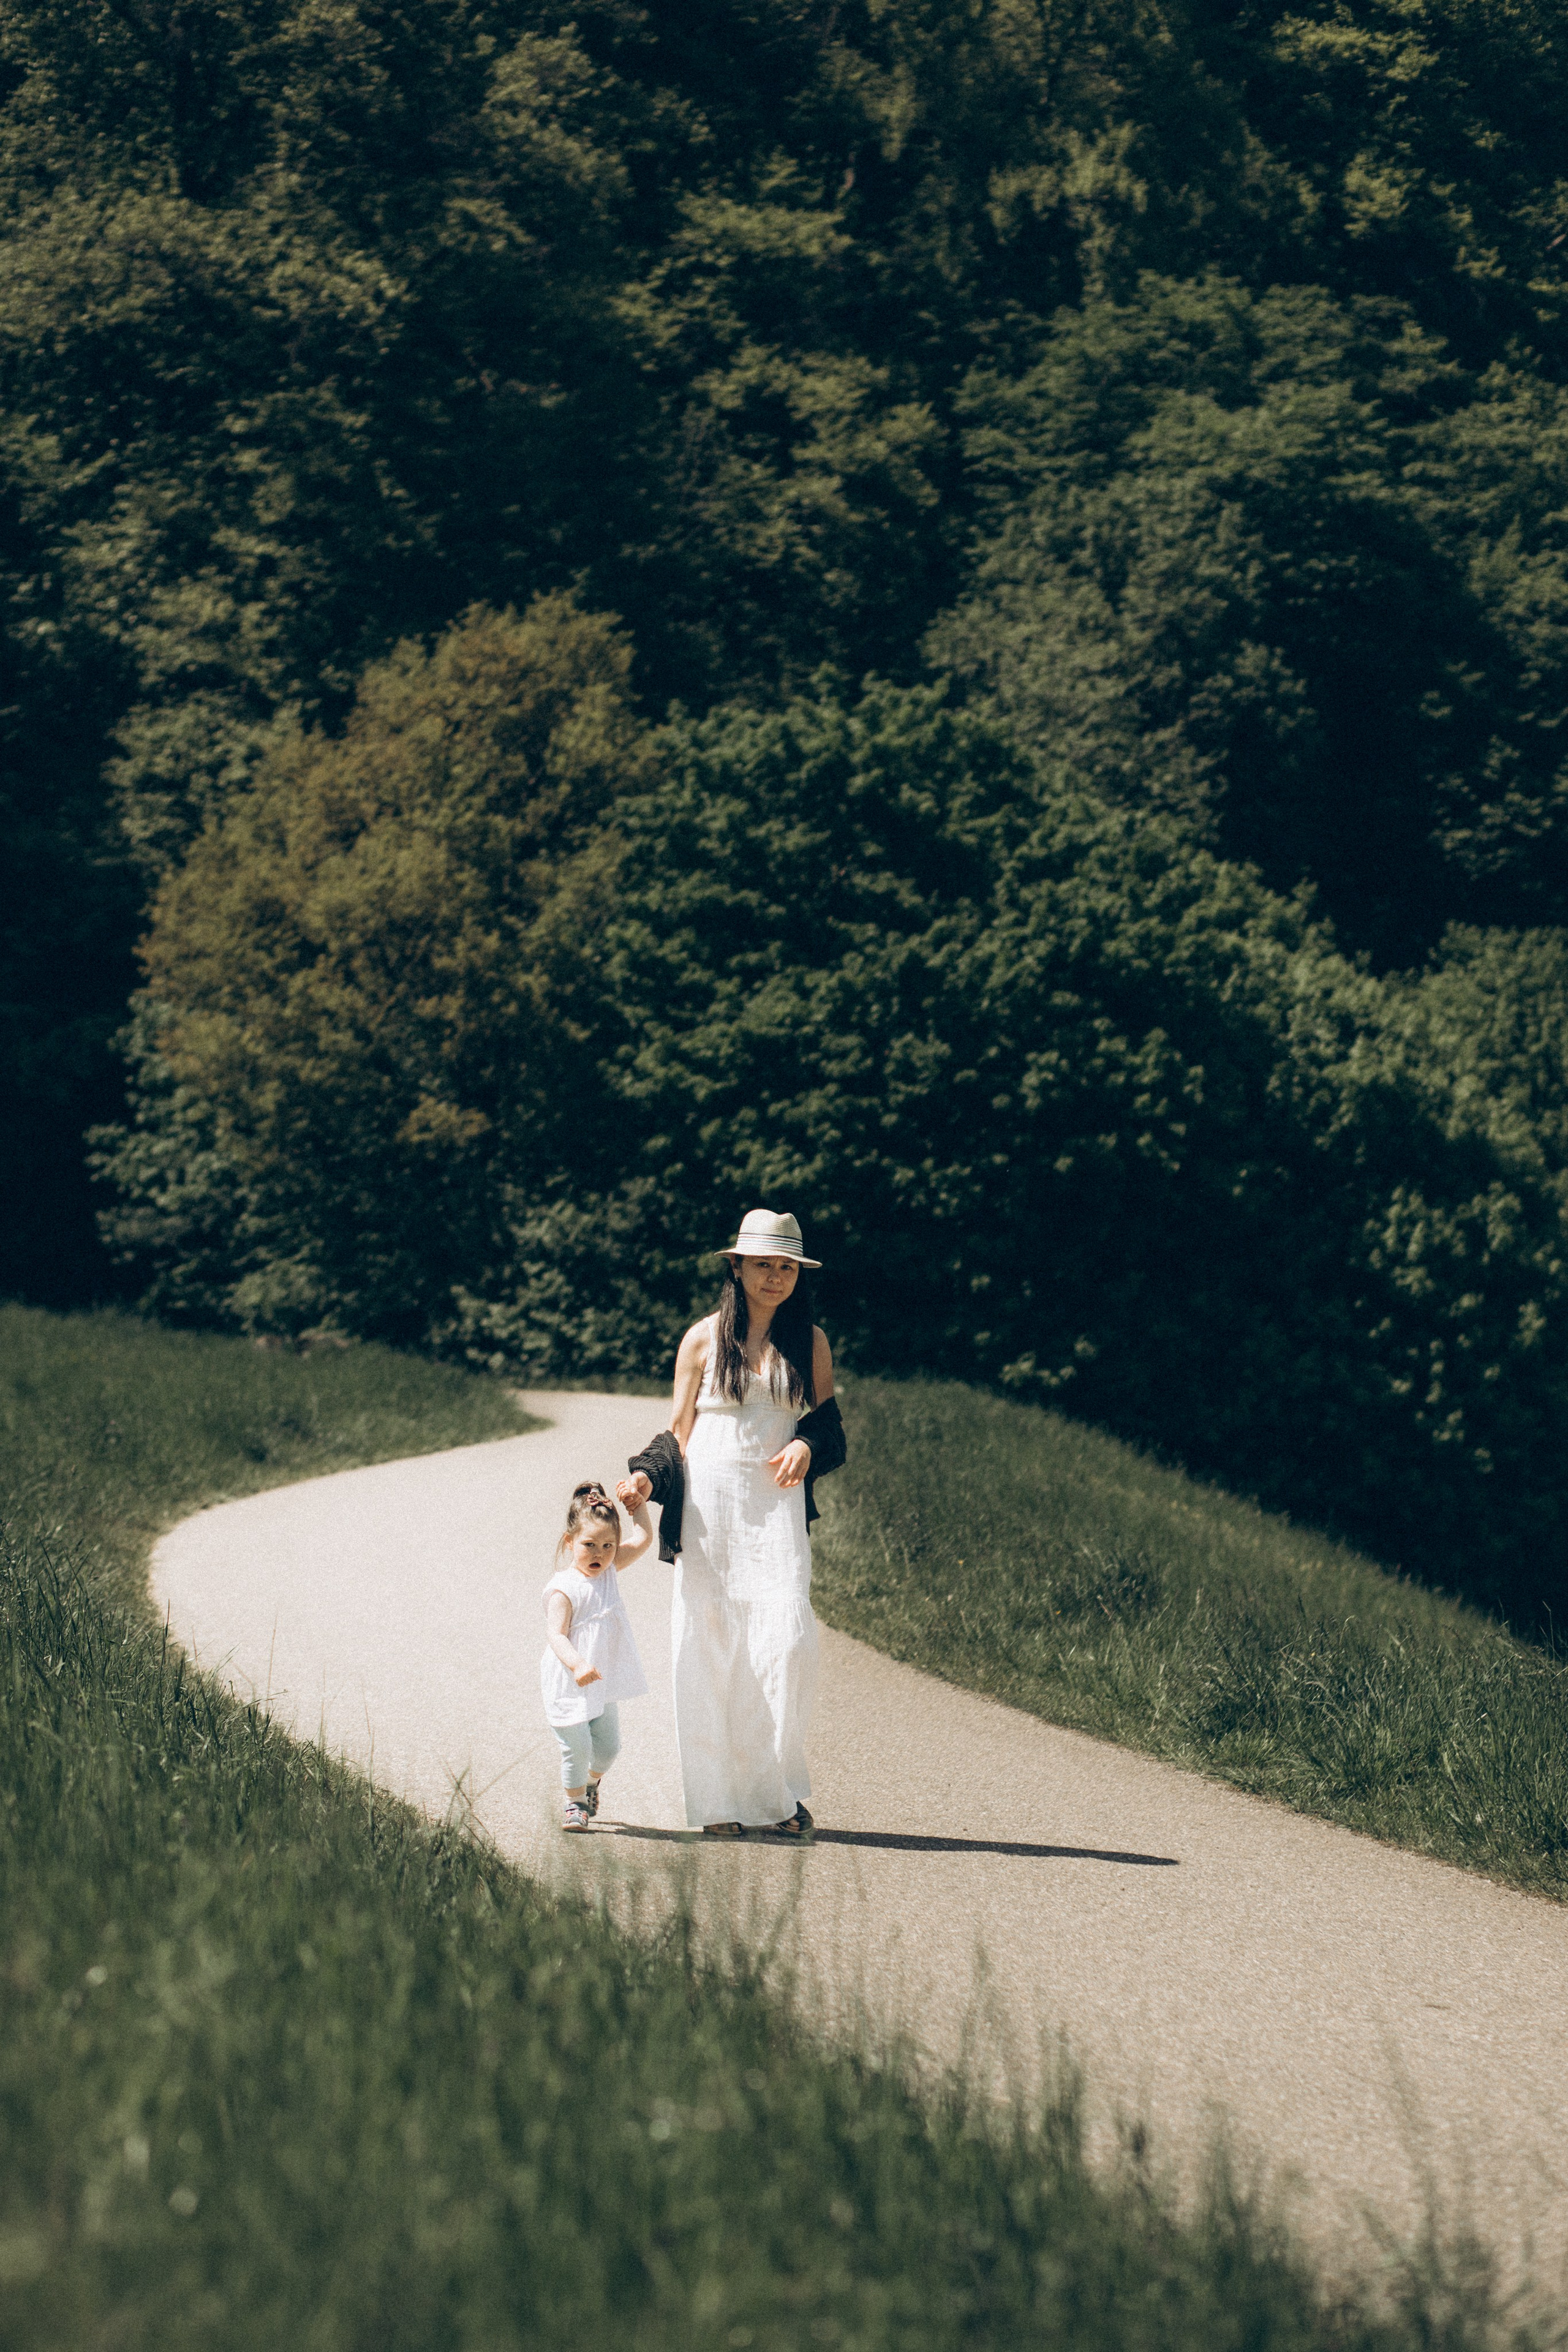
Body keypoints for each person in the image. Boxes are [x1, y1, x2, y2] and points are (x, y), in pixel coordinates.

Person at [618, 1208, 847, 1838]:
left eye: (786, 1267)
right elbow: (678, 1430)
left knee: (786, 1645)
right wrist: (646, 1477)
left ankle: (773, 1795)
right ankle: (718, 1803)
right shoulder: (702, 1339)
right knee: (710, 1644)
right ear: (737, 1267)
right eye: (763, 1265)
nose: (775, 1276)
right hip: (709, 1513)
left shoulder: (811, 1342)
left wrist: (805, 1444)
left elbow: (828, 1428)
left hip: (775, 1514)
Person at [541, 1480, 653, 1833]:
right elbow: (556, 1635)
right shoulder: (564, 1588)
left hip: (601, 1681)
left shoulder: (609, 1570)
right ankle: (574, 1804)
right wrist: (577, 1663)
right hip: (570, 1680)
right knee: (576, 1746)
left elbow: (644, 1539)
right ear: (569, 1542)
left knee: (608, 1748)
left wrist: (638, 1508)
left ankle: (592, 1784)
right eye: (589, 1545)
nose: (599, 1554)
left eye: (608, 1546)